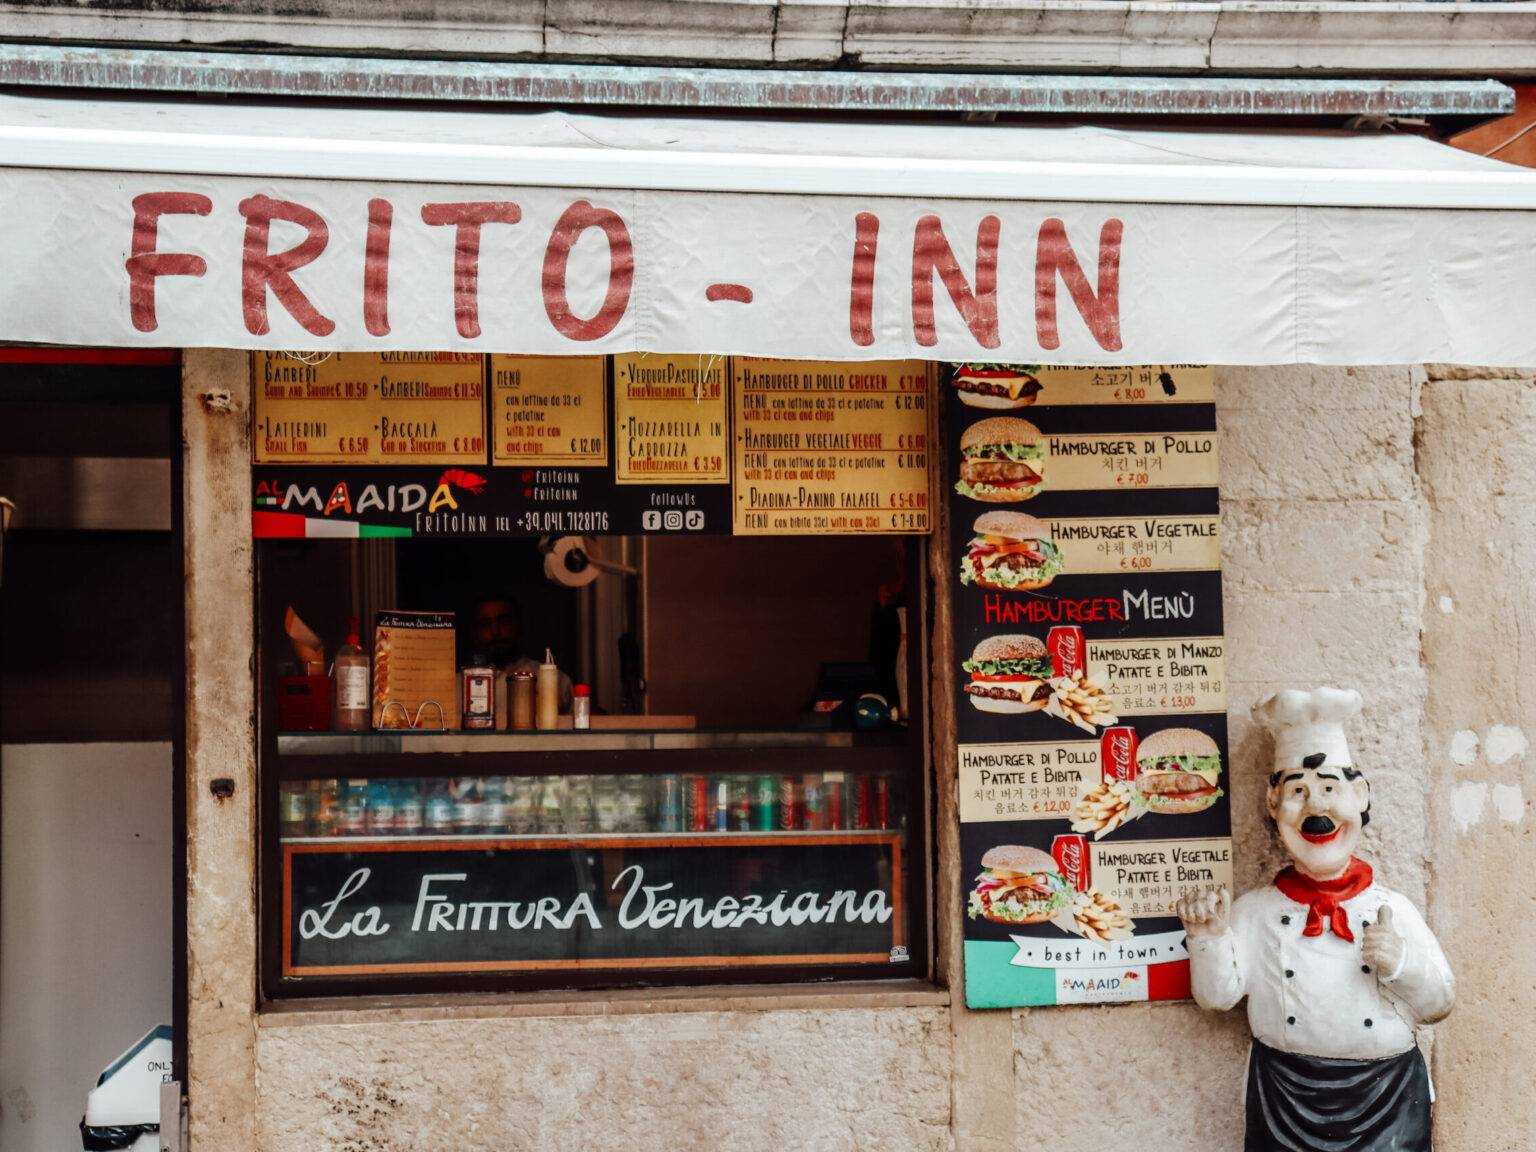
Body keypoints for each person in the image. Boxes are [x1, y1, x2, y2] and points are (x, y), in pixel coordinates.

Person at [1177, 687, 1454, 1152]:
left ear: (1360, 795)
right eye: (1298, 792)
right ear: (1272, 804)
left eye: (1329, 788)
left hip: (1386, 1097)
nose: (1316, 810)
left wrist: (1401, 964)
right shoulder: (1255, 912)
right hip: (1285, 1095)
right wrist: (1208, 938)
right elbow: (1218, 997)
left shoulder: (1393, 909)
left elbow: (1439, 1002)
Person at [469, 595, 573, 709]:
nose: (495, 632)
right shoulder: (457, 687)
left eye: (503, 621)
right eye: (485, 624)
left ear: (518, 626)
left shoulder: (556, 681)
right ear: (474, 632)